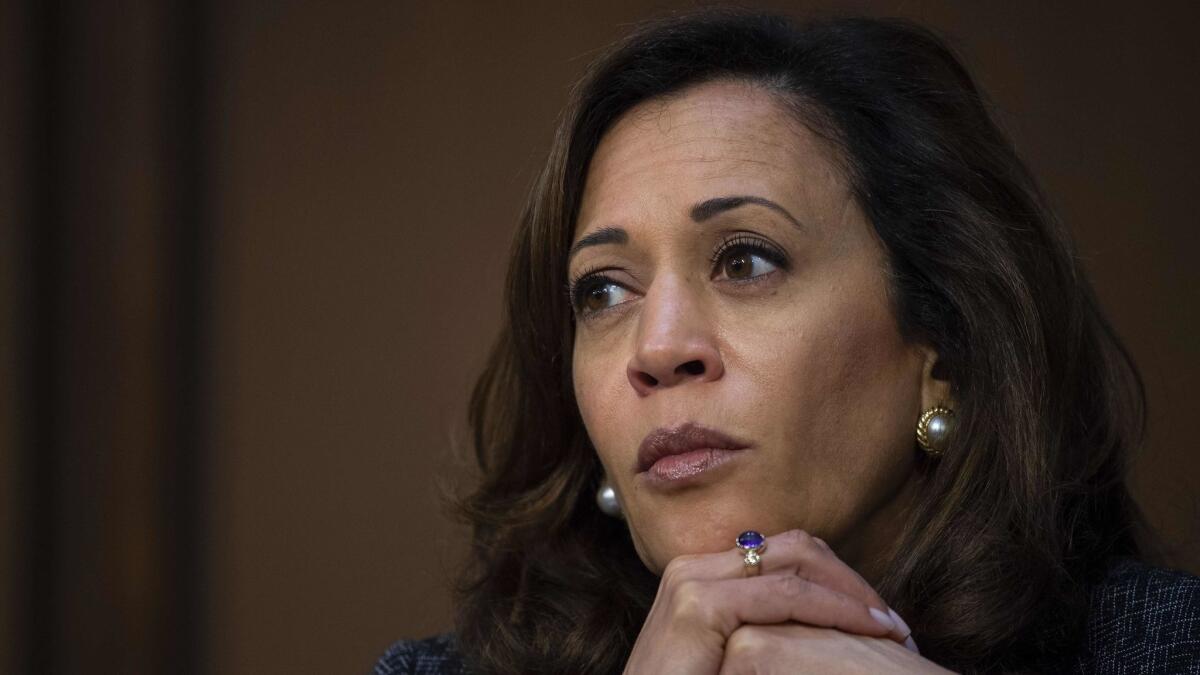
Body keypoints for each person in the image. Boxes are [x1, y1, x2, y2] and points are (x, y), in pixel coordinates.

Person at [374, 9, 1200, 674]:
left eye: (745, 260)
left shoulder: (1164, 647)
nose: (656, 348)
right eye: (605, 291)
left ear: (942, 346)